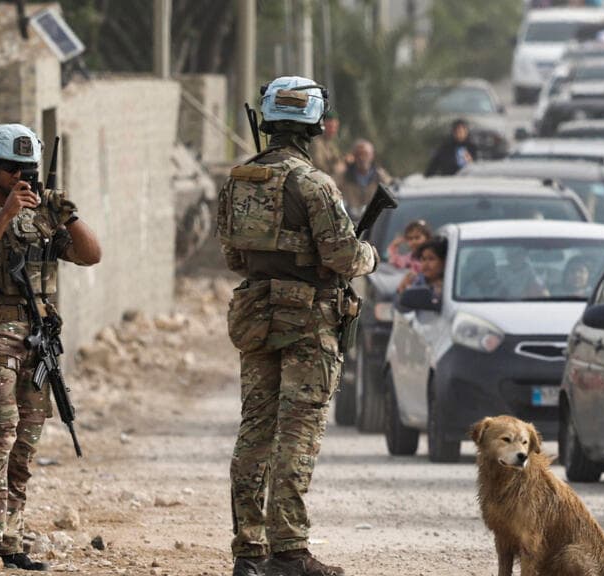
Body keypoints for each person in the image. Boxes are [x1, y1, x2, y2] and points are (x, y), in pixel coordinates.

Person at [218, 76, 378, 576]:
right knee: (299, 431)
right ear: (313, 125)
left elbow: (234, 256)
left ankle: (249, 551)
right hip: (309, 319)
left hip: (256, 312)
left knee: (255, 430)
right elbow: (343, 255)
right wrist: (368, 255)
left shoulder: (239, 179)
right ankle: (289, 551)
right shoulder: (315, 184)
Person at [0, 124, 101, 571]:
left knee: (25, 443)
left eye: (27, 170)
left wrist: (67, 216)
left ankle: (9, 538)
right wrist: (6, 215)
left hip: (37, 338)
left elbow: (91, 255)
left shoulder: (43, 213)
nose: (20, 177)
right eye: (11, 169)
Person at [341, 139, 391, 217]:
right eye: (359, 154)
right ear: (354, 156)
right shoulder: (343, 176)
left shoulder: (380, 176)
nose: (362, 158)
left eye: (365, 154)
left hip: (375, 222)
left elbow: (392, 194)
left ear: (372, 156)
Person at [309, 110, 345, 182]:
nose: (333, 130)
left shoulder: (331, 143)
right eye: (331, 126)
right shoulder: (316, 143)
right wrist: (336, 167)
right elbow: (319, 166)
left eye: (336, 127)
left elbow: (337, 157)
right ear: (323, 125)